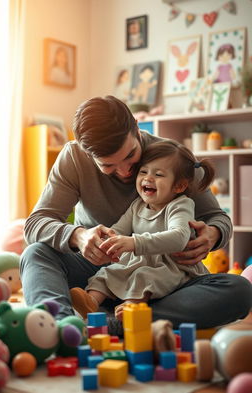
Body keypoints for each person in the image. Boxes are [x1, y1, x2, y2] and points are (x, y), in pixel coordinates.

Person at [20, 95, 251, 339]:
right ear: (88, 154)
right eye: (108, 166)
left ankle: (114, 323)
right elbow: (36, 223)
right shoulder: (74, 158)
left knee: (239, 290)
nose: (125, 171)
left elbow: (218, 218)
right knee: (35, 253)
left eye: (130, 156)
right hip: (97, 269)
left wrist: (213, 235)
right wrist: (79, 236)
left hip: (163, 275)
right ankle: (62, 328)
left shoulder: (171, 158)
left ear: (137, 128)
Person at [70, 140, 214, 321]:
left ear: (179, 186)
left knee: (144, 276)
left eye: (159, 174)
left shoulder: (180, 205)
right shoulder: (137, 206)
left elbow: (179, 237)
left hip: (172, 267)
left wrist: (134, 242)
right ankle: (90, 302)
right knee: (108, 273)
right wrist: (106, 239)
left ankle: (131, 308)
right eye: (143, 172)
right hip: (142, 261)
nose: (148, 178)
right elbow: (118, 229)